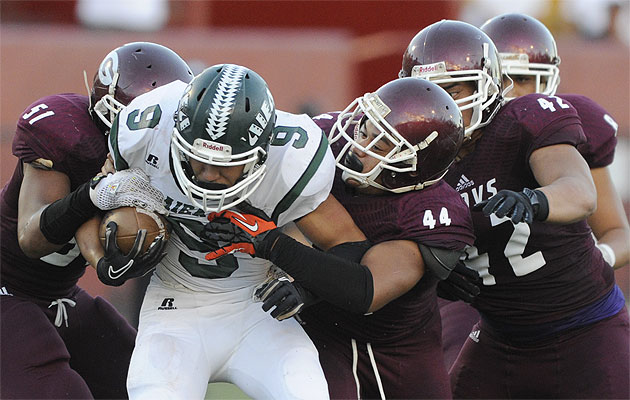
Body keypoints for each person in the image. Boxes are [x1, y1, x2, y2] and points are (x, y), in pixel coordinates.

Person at [98, 63, 368, 399]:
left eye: (225, 164)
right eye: (198, 159)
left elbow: (348, 244)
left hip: (259, 310)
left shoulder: (290, 158)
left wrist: (306, 289)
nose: (209, 175)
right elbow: (103, 196)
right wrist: (110, 246)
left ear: (262, 153)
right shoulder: (147, 131)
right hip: (174, 307)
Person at [400, 19, 629, 399]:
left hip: (586, 328)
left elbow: (580, 194)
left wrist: (535, 199)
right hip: (500, 336)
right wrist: (434, 274)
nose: (439, 106)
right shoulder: (410, 160)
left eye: (453, 91)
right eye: (428, 92)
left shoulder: (525, 121)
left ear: (489, 87)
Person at [0, 42, 193, 399]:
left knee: (147, 383)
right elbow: (32, 236)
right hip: (6, 286)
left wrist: (103, 259)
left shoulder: (159, 161)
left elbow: (100, 229)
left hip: (59, 293)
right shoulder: (65, 130)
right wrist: (93, 193)